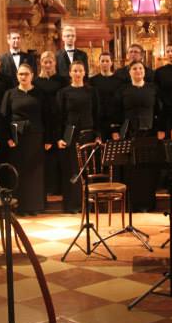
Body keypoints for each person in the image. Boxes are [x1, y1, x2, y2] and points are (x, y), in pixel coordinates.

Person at [114, 60, 164, 212]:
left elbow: (160, 110)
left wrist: (161, 129)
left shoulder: (153, 88)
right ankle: (133, 204)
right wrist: (115, 130)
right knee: (132, 169)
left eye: (140, 68)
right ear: (129, 72)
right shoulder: (123, 90)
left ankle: (148, 204)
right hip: (129, 133)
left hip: (149, 133)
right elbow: (115, 111)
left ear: (145, 71)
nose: (138, 71)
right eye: (134, 69)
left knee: (148, 169)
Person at [1, 65, 50, 215]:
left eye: (26, 74)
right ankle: (19, 206)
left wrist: (48, 139)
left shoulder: (40, 93)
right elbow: (3, 118)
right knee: (18, 171)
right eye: (21, 74)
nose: (23, 77)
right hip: (16, 138)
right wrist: (8, 138)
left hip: (35, 136)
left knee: (34, 171)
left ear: (32, 75)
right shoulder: (10, 94)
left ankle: (34, 206)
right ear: (17, 76)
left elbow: (48, 117)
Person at [55, 61, 100, 212]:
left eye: (80, 70)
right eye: (74, 70)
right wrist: (59, 138)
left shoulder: (92, 91)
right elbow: (59, 117)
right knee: (72, 171)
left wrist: (98, 135)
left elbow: (97, 114)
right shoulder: (63, 92)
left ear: (84, 73)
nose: (77, 73)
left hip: (88, 135)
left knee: (87, 171)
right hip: (70, 137)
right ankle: (73, 205)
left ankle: (88, 205)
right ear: (70, 73)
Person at [34, 51, 68, 196]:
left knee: (59, 156)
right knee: (46, 156)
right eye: (44, 62)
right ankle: (47, 189)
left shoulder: (62, 80)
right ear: (40, 63)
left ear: (55, 63)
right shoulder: (35, 82)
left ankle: (59, 189)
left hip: (59, 119)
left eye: (50, 62)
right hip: (42, 120)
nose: (47, 65)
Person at [90, 52, 121, 139]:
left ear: (111, 63)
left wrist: (116, 128)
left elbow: (119, 104)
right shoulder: (92, 81)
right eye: (102, 61)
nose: (105, 63)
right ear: (99, 62)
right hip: (98, 120)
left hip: (114, 121)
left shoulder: (119, 81)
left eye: (107, 61)